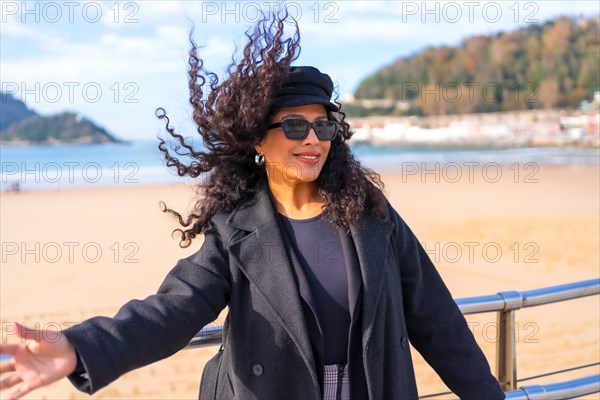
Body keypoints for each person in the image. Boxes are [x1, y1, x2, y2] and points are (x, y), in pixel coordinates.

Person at [0, 13, 505, 400]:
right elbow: (171, 311)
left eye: (323, 125)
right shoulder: (234, 231)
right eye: (293, 126)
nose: (312, 139)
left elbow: (437, 320)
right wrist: (77, 348)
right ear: (258, 141)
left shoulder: (372, 216)